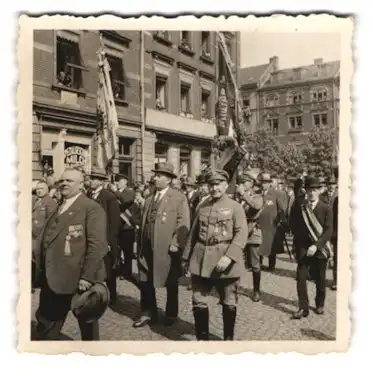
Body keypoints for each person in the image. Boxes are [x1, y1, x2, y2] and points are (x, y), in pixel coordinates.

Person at [33, 167, 108, 340]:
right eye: (62, 180)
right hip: (53, 277)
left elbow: (97, 245)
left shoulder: (91, 208)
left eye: (69, 181)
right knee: (47, 325)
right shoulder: (59, 206)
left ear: (81, 184)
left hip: (79, 279)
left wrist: (87, 277)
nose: (64, 184)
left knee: (87, 326)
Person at [182, 170, 248, 340]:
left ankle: (227, 340)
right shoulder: (202, 206)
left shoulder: (236, 207)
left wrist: (229, 257)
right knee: (198, 300)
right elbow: (194, 233)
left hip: (225, 261)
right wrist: (186, 257)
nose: (214, 188)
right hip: (201, 260)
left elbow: (241, 234)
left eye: (218, 184)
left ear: (226, 185)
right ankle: (203, 340)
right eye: (211, 184)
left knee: (228, 300)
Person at [134, 162, 190, 328]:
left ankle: (171, 313)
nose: (155, 178)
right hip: (146, 247)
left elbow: (183, 222)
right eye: (155, 175)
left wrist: (175, 243)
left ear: (168, 179)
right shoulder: (150, 197)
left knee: (170, 282)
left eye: (159, 176)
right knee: (144, 280)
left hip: (166, 249)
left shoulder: (178, 198)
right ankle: (147, 312)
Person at [289, 177, 333, 319]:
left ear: (319, 191)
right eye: (309, 190)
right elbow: (293, 224)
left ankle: (319, 303)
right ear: (305, 190)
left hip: (319, 248)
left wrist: (316, 245)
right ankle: (303, 307)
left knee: (320, 278)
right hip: (303, 247)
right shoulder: (301, 206)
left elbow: (328, 231)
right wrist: (296, 244)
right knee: (301, 277)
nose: (312, 193)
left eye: (314, 190)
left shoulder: (326, 208)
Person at [88, 168, 121, 306]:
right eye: (91, 178)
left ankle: (112, 295)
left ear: (101, 181)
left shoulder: (109, 197)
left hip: (105, 238)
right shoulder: (89, 194)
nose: (91, 181)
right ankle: (93, 294)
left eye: (95, 178)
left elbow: (115, 222)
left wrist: (109, 241)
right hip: (91, 237)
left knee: (108, 269)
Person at [235, 171, 264, 302]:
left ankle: (256, 290)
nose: (241, 185)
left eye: (244, 182)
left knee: (255, 264)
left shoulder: (257, 196)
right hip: (239, 233)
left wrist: (243, 194)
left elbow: (256, 206)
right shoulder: (237, 197)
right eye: (240, 182)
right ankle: (234, 288)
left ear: (251, 183)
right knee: (236, 261)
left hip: (253, 233)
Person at [109, 173, 137, 283]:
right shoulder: (113, 193)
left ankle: (127, 272)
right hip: (116, 225)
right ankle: (118, 270)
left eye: (119, 181)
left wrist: (116, 192)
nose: (117, 183)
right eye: (116, 181)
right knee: (116, 250)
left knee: (127, 252)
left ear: (125, 182)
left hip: (127, 226)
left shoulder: (129, 191)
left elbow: (126, 201)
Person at [258, 172, 287, 271]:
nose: (263, 184)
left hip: (271, 225)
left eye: (266, 182)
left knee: (271, 245)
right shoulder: (257, 193)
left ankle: (271, 265)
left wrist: (281, 221)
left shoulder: (275, 194)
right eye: (262, 182)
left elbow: (282, 209)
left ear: (270, 183)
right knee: (259, 244)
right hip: (259, 224)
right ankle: (258, 264)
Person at [32, 180, 58, 288]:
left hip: (40, 236)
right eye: (37, 189)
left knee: (39, 259)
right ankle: (36, 279)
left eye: (41, 189)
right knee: (34, 258)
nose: (39, 191)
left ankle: (40, 281)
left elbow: (51, 222)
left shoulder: (50, 203)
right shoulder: (37, 201)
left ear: (47, 190)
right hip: (33, 235)